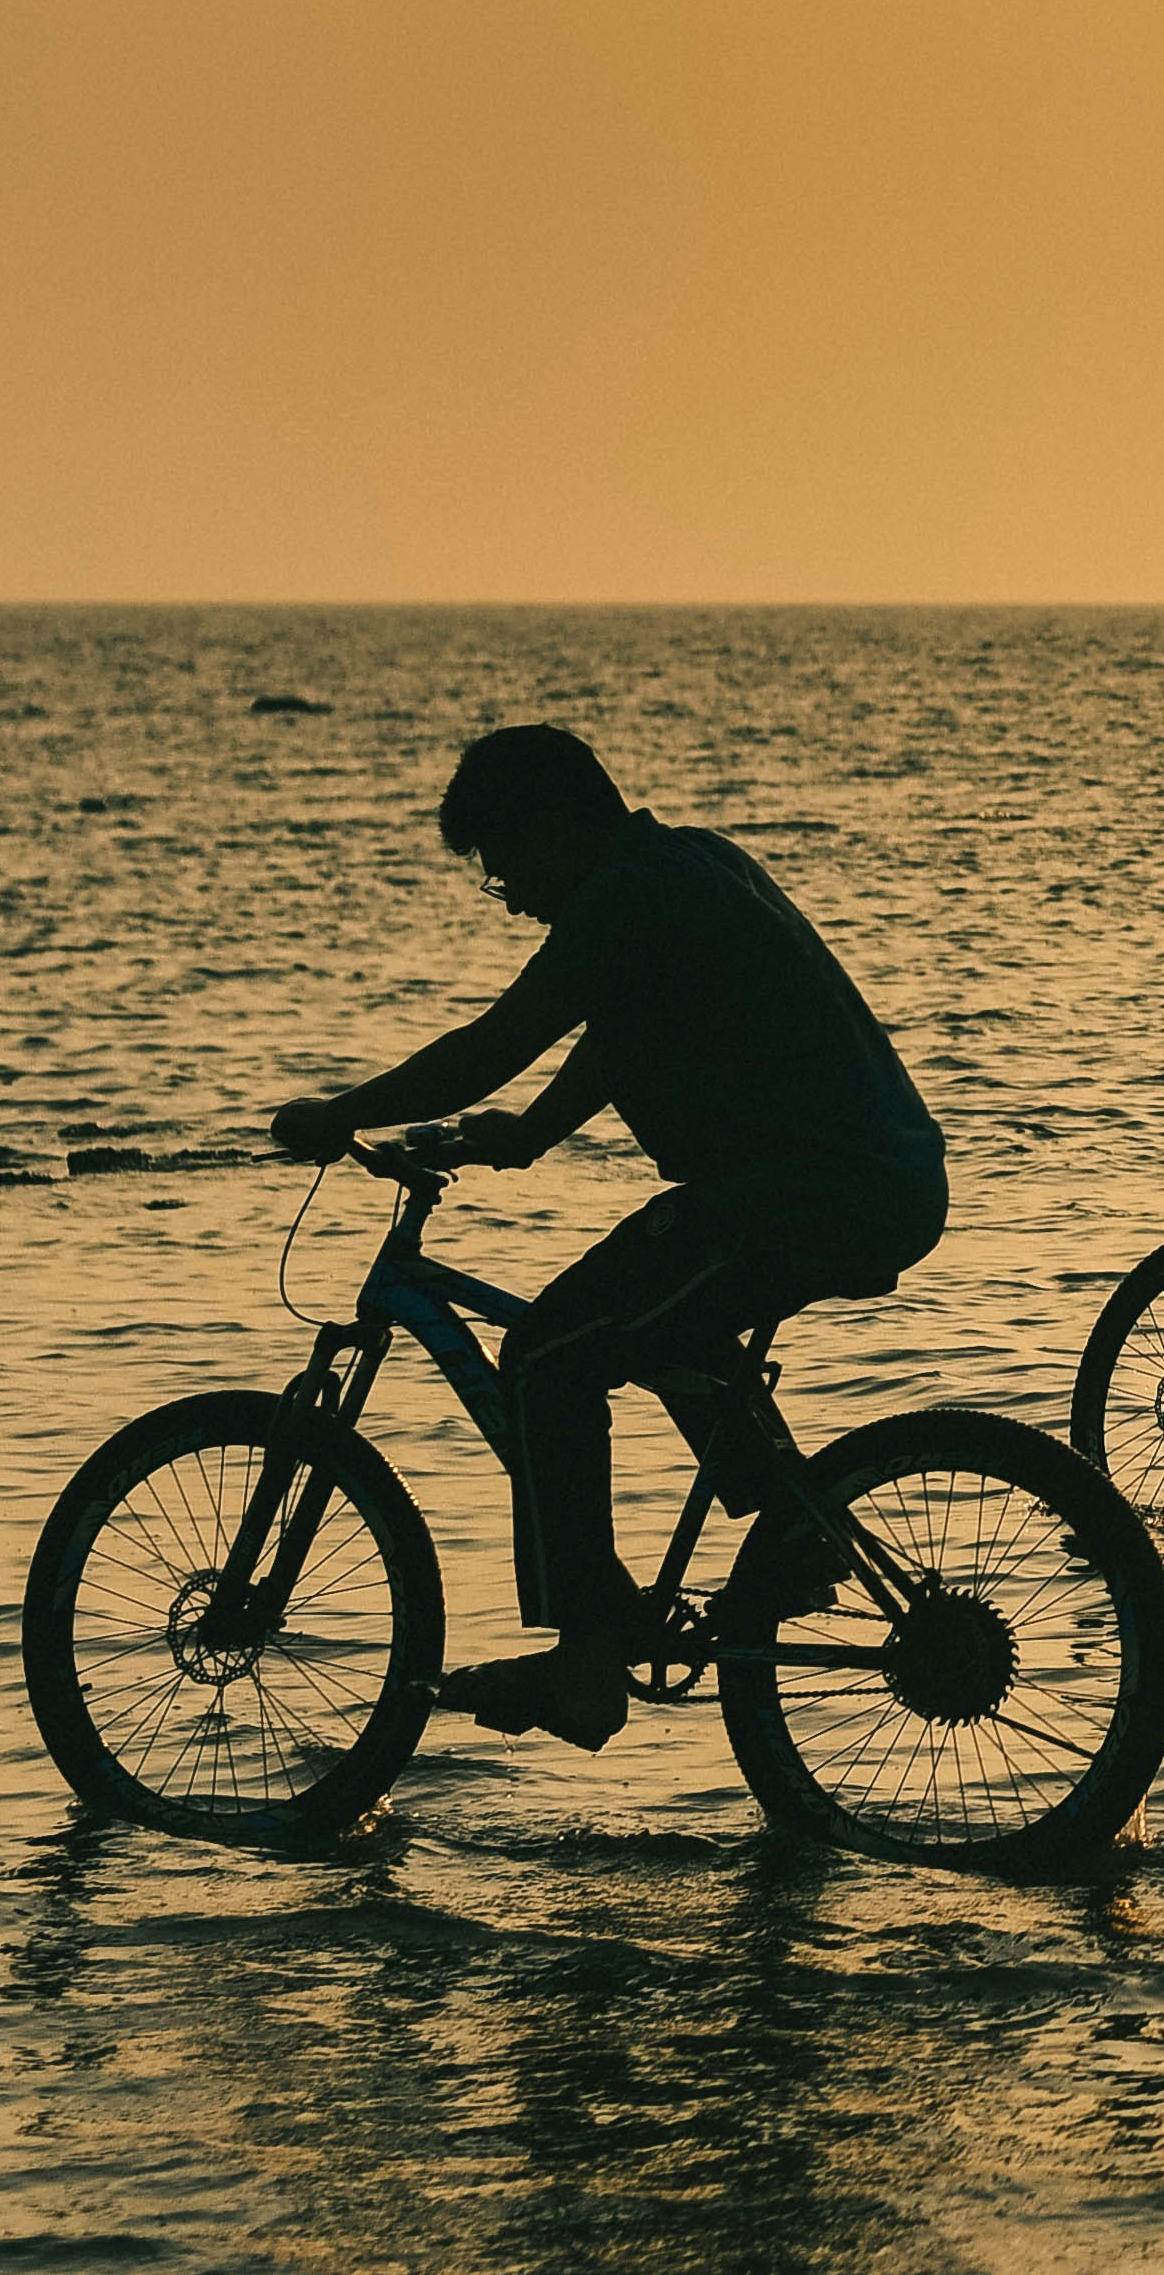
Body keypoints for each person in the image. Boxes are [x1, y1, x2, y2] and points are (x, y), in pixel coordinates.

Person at [266, 726, 949, 1747]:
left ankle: (588, 1663)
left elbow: (494, 1042)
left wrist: (342, 1112)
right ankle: (793, 1540)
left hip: (805, 1190)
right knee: (664, 1320)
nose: (516, 899)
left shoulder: (625, 894)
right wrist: (531, 1135)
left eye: (507, 872)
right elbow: (621, 1030)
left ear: (553, 826)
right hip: (868, 1177)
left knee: (547, 1352)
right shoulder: (684, 864)